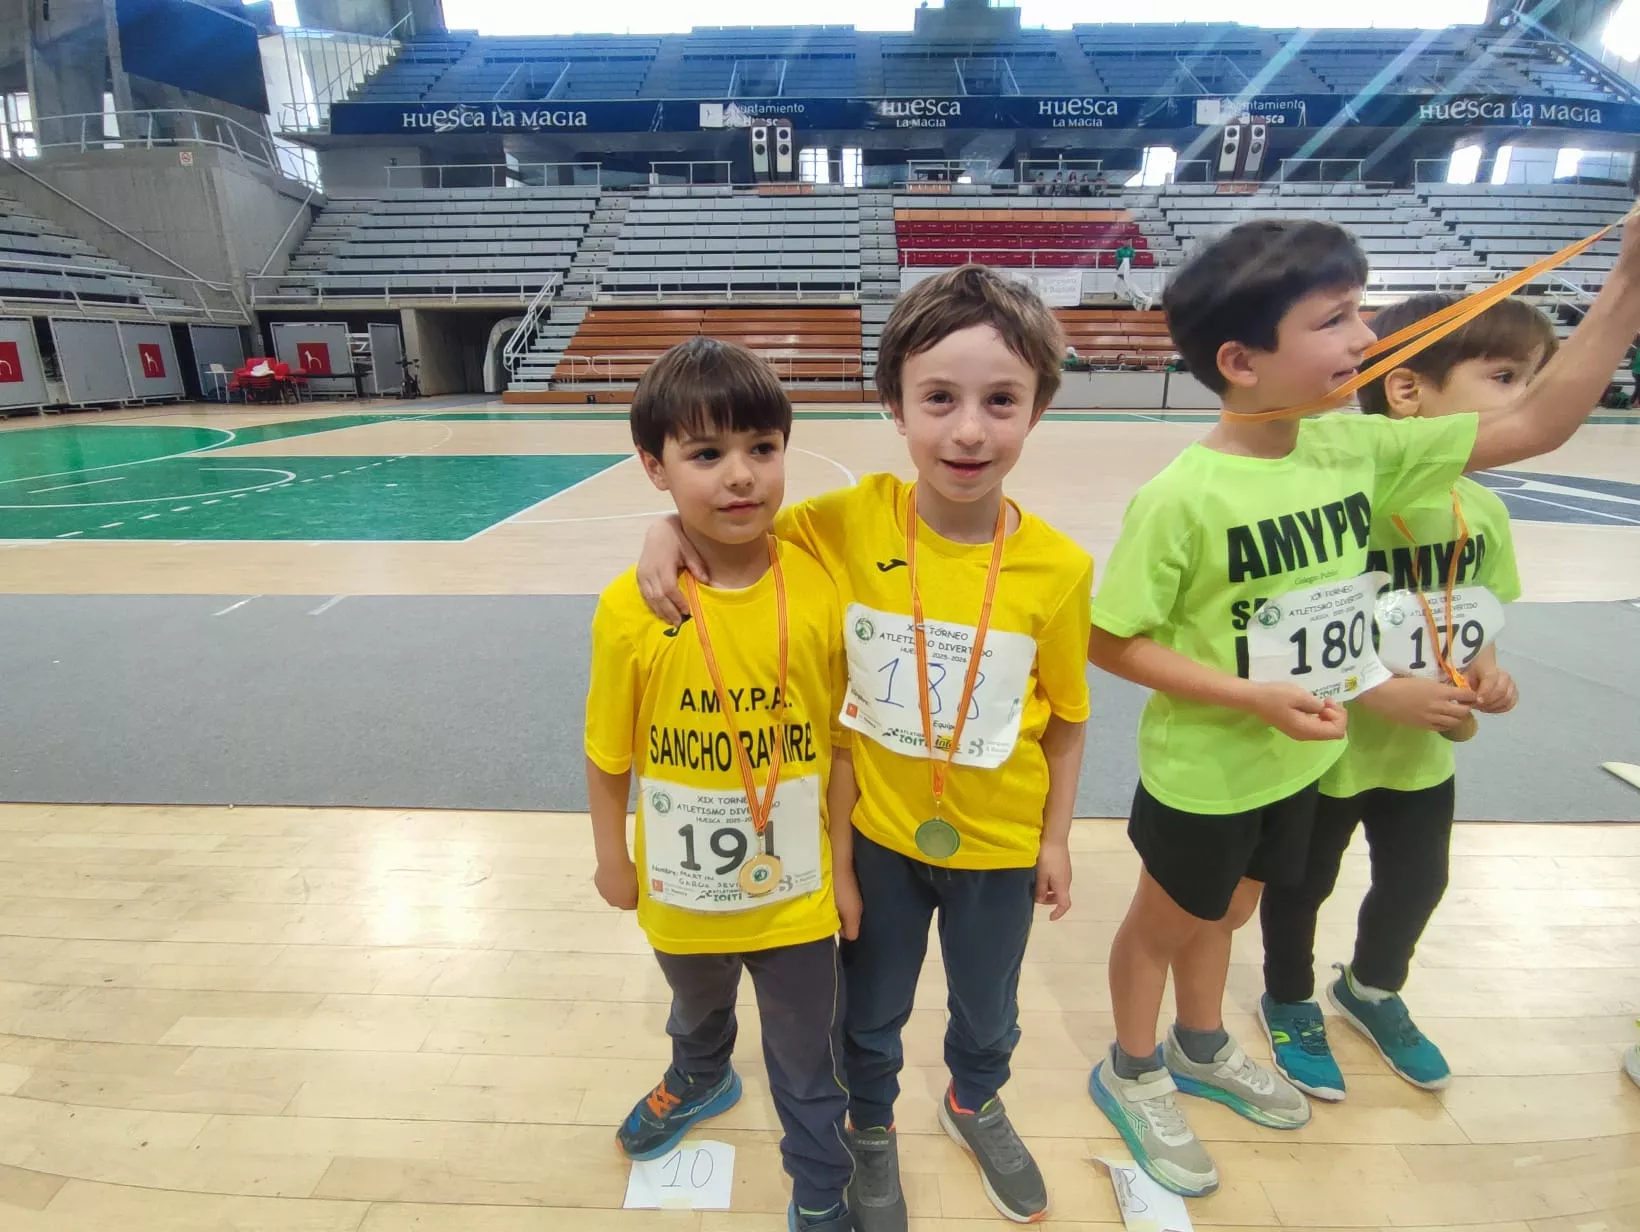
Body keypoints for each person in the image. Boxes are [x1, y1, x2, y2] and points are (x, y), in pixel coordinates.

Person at [1085, 215, 1640, 1198]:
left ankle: (1201, 1042)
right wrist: (1247, 692)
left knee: (1236, 906)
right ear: (1239, 360)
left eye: (1362, 308)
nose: (1363, 335)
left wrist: (1625, 278)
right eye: (1336, 317)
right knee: (1165, 921)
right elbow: (1109, 637)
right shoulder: (1181, 495)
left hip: (1302, 759)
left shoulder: (1354, 449)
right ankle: (1129, 1068)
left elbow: (1539, 423)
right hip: (1209, 772)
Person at [633, 265, 1094, 1229]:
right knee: (869, 1014)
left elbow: (1072, 716)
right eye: (939, 399)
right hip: (879, 836)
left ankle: (975, 1098)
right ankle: (871, 1127)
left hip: (1002, 846)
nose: (969, 430)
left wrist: (1054, 839)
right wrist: (661, 531)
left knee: (990, 1006)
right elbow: (731, 523)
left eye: (1001, 401)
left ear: (1038, 407)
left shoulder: (1058, 567)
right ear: (895, 404)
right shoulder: (844, 522)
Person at [584, 338, 854, 1232]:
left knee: (807, 1057)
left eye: (762, 449)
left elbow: (841, 747)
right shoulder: (633, 606)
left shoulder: (819, 584)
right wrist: (609, 858)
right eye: (706, 455)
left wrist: (845, 870)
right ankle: (700, 1074)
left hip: (797, 894)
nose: (741, 477)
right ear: (654, 469)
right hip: (680, 887)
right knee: (696, 1004)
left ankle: (819, 1186)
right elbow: (608, 751)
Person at [1258, 293, 1552, 1102]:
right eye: (1503, 376)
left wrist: (1490, 673)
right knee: (1301, 885)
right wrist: (1377, 692)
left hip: (1420, 758)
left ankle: (1372, 990)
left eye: (1531, 378)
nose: (1524, 400)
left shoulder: (1482, 509)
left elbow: (1475, 615)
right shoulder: (1336, 509)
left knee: (1418, 882)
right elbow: (1290, 633)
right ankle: (1287, 998)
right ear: (1407, 390)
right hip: (1322, 748)